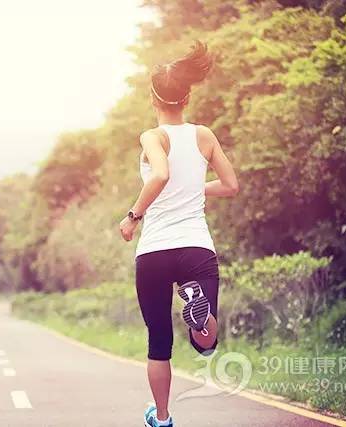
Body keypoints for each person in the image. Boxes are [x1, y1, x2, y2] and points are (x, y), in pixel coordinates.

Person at [118, 40, 239, 427]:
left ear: (154, 100)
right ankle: (200, 319)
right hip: (196, 247)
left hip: (154, 250)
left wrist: (133, 216)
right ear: (186, 97)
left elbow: (161, 174)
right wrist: (195, 189)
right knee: (205, 345)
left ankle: (164, 417)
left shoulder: (153, 137)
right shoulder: (204, 135)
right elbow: (231, 185)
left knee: (159, 342)